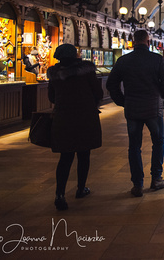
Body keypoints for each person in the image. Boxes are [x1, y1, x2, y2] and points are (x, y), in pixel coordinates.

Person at [106, 30, 164, 197]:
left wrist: (122, 100)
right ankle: (156, 178)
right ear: (148, 41)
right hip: (153, 109)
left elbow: (111, 83)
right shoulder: (156, 59)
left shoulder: (123, 61)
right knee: (158, 142)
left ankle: (137, 184)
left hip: (133, 108)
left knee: (134, 146)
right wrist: (161, 95)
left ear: (133, 41)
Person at [47, 44, 103, 210]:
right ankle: (80, 188)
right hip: (85, 117)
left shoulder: (54, 74)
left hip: (63, 118)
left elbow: (52, 96)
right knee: (84, 153)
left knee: (65, 157)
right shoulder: (86, 72)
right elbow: (98, 93)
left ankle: (60, 194)